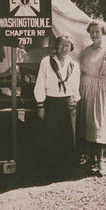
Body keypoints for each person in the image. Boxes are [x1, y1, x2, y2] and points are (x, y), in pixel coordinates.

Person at [34, 34, 81, 172]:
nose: (64, 48)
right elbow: (40, 83)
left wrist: (75, 101)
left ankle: (68, 168)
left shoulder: (74, 65)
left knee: (68, 136)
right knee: (51, 135)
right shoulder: (46, 62)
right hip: (52, 102)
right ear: (56, 47)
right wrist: (40, 105)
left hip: (68, 103)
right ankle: (51, 169)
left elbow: (75, 85)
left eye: (67, 45)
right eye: (61, 45)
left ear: (71, 47)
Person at [78, 22, 106, 177]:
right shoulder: (86, 50)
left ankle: (101, 161)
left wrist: (104, 90)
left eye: (97, 32)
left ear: (103, 33)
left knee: (98, 123)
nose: (94, 35)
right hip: (86, 87)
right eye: (92, 32)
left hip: (101, 89)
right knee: (87, 122)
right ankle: (90, 159)